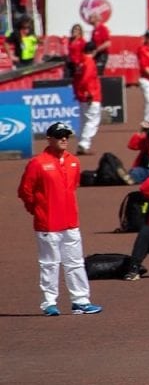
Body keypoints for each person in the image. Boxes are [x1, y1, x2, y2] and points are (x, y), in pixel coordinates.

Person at [17, 122, 100, 315]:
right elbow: (24, 191)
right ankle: (49, 303)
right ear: (49, 139)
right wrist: (37, 209)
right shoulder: (37, 163)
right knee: (49, 264)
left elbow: (73, 187)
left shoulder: (74, 162)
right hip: (47, 224)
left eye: (66, 136)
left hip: (70, 222)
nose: (64, 139)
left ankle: (80, 301)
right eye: (59, 135)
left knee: (76, 262)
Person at [67, 37, 103, 155]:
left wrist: (79, 92)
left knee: (84, 120)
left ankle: (81, 143)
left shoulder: (80, 62)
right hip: (90, 95)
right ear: (94, 51)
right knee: (92, 120)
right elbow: (86, 79)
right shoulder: (89, 62)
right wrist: (88, 93)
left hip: (82, 95)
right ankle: (84, 144)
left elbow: (76, 80)